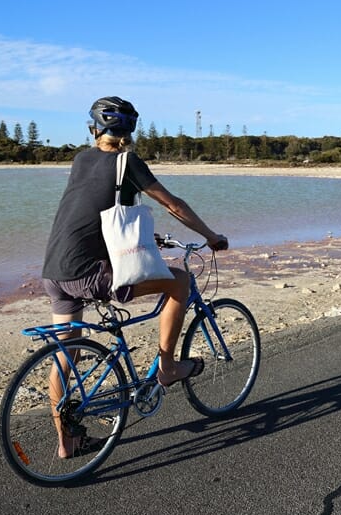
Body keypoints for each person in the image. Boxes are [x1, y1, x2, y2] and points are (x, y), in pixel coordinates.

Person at [42, 96, 228, 457]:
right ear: (130, 131)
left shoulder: (81, 160)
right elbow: (172, 204)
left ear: (93, 129)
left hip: (54, 270)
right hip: (87, 272)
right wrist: (210, 236)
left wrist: (146, 239)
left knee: (67, 354)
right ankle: (169, 368)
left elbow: (95, 211)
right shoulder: (128, 162)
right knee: (179, 282)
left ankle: (67, 441)